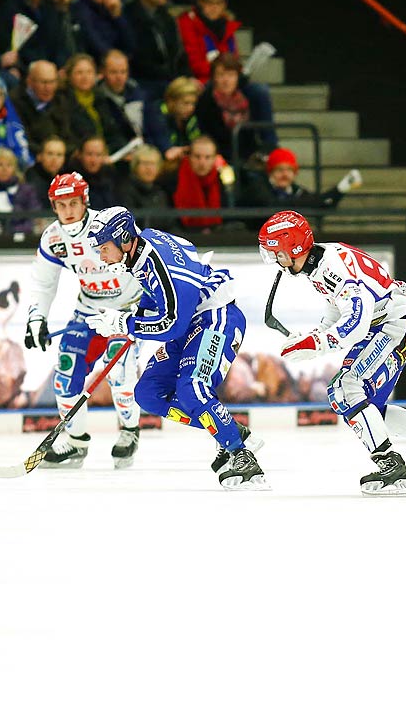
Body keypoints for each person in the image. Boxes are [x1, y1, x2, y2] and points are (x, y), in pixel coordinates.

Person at [257, 209, 406, 494]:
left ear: (293, 248)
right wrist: (312, 337)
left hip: (394, 328)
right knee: (366, 409)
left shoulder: (330, 268)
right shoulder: (322, 263)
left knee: (345, 390)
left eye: (276, 253)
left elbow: (357, 321)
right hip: (397, 325)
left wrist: (316, 344)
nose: (276, 260)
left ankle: (392, 468)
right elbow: (339, 311)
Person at [86, 206, 267, 489]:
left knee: (192, 387)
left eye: (104, 247)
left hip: (215, 318)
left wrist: (126, 324)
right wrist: (137, 315)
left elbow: (172, 326)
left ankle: (243, 458)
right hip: (190, 319)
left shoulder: (159, 264)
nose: (101, 255)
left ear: (122, 238)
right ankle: (231, 432)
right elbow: (169, 275)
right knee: (148, 394)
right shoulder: (140, 246)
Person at [18, 172, 147, 466]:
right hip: (87, 312)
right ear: (52, 206)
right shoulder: (53, 237)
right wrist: (36, 319)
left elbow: (143, 258)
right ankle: (76, 442)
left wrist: (147, 305)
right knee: (65, 374)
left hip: (124, 310)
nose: (68, 211)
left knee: (120, 373)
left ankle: (129, 431)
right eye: (60, 205)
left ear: (85, 201)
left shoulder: (110, 225)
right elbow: (43, 282)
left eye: (73, 203)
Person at [176, 0, 240, 82]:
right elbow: (194, 65)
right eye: (210, 3)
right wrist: (222, 72)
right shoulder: (187, 23)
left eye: (219, 3)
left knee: (259, 91)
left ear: (225, 5)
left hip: (227, 79)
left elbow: (234, 59)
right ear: (200, 2)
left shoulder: (227, 25)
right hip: (201, 80)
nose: (214, 7)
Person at [170, 135, 234, 232]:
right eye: (197, 156)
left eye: (207, 157)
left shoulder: (222, 180)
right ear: (189, 156)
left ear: (214, 159)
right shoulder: (174, 179)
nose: (202, 162)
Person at [0, 146, 40, 238]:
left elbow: (34, 217)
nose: (4, 169)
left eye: (9, 165)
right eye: (0, 165)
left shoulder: (26, 191)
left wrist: (13, 232)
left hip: (21, 239)